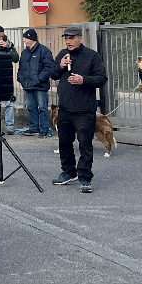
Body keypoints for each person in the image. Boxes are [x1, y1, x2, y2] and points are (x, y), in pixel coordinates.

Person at [50, 25, 107, 194]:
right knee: (64, 142)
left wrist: (83, 80)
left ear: (80, 38)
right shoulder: (62, 54)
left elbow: (101, 78)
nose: (68, 41)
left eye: (72, 38)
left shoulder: (92, 56)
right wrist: (60, 66)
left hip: (84, 109)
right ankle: (68, 172)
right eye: (66, 38)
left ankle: (85, 177)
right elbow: (53, 75)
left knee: (84, 144)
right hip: (65, 108)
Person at [17, 29, 53, 137]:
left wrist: (39, 79)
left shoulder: (44, 51)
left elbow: (49, 67)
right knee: (31, 108)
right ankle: (33, 128)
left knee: (42, 108)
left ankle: (44, 129)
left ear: (31, 38)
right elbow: (21, 68)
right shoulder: (24, 52)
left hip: (40, 86)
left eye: (25, 38)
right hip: (28, 85)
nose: (24, 40)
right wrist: (21, 79)